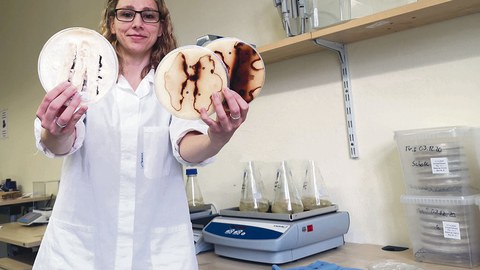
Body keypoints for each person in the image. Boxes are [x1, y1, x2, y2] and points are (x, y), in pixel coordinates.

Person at [33, 0, 248, 269]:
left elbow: (187, 146)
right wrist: (56, 130)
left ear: (160, 27)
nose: (137, 23)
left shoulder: (178, 82)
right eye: (126, 14)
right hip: (83, 250)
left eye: (148, 15)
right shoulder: (80, 76)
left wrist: (217, 138)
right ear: (112, 22)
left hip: (157, 250)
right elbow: (61, 142)